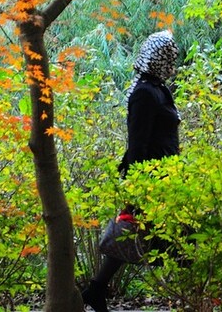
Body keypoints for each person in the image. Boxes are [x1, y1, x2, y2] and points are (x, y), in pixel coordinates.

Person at [80, 30, 181, 312]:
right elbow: (138, 142)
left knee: (150, 234)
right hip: (152, 177)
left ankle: (96, 290)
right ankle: (187, 293)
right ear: (159, 58)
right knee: (159, 234)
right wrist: (139, 183)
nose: (173, 58)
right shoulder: (145, 93)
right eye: (169, 54)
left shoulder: (158, 89)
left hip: (165, 175)